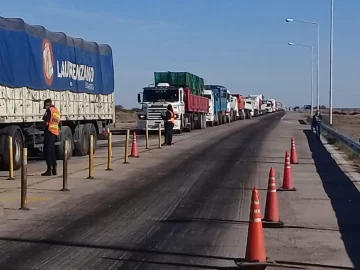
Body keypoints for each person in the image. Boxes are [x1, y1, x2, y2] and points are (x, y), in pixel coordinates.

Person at [41, 99, 61, 176]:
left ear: (47, 104)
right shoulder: (56, 111)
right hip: (54, 132)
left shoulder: (49, 110)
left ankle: (49, 169)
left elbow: (46, 122)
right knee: (52, 151)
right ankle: (54, 169)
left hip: (49, 131)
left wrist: (40, 126)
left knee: (47, 151)